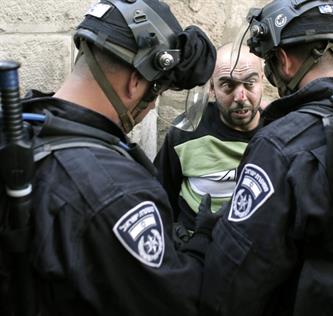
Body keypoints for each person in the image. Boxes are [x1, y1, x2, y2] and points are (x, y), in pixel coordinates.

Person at [0, 0, 217, 315]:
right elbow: (179, 302)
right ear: (134, 83)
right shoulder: (117, 192)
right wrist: (204, 239)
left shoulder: (21, 125)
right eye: (155, 92)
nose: (153, 106)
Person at [198, 0, 333, 315]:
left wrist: (204, 236)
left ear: (283, 61)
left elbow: (231, 284)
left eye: (267, 67)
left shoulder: (280, 144)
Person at [153, 43, 264, 232]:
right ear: (212, 88)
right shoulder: (187, 132)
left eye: (250, 83)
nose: (240, 96)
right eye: (228, 85)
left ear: (262, 81)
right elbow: (160, 194)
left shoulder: (278, 134)